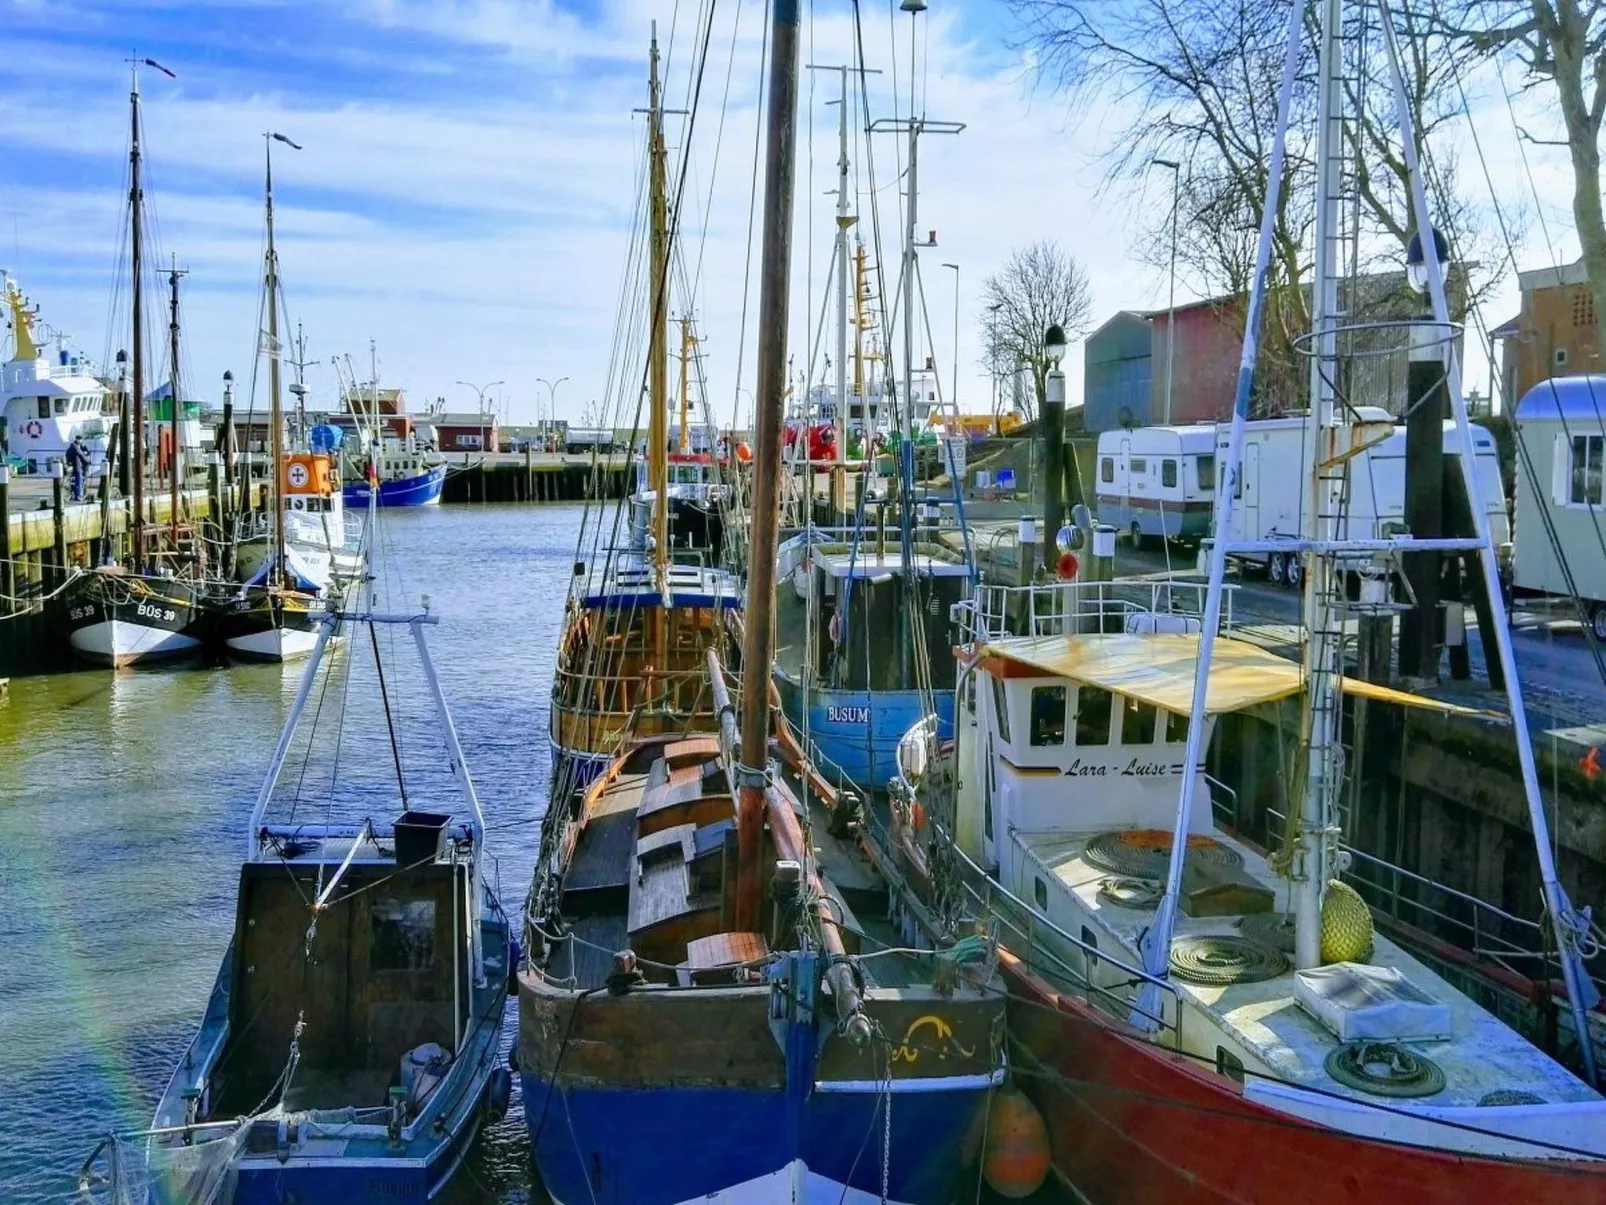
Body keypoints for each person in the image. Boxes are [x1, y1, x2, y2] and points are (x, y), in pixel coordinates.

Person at [65, 435, 91, 502]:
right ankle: (78, 496)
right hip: (77, 466)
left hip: (75, 465)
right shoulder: (75, 446)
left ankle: (76, 495)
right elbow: (81, 455)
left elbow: (86, 452)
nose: (81, 441)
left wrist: (84, 447)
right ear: (77, 439)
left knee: (78, 481)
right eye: (80, 439)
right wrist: (88, 461)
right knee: (79, 482)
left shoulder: (76, 446)